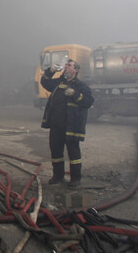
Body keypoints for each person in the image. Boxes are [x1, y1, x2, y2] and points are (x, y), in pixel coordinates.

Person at [41, 59, 94, 188]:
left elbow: (88, 102)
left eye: (69, 66)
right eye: (66, 65)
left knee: (73, 153)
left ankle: (75, 179)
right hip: (56, 125)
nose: (66, 67)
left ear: (75, 70)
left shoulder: (81, 86)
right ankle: (58, 176)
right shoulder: (59, 82)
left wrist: (75, 94)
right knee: (56, 151)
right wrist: (51, 70)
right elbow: (45, 82)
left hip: (71, 125)